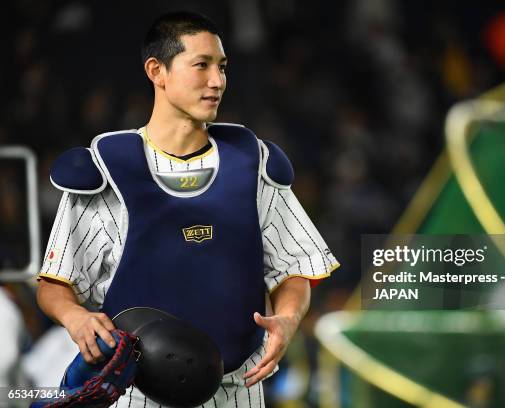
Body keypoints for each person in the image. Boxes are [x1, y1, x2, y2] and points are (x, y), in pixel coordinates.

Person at [36, 11, 339, 407]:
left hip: (238, 391)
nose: (217, 81)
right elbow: (55, 284)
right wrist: (76, 319)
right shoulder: (107, 169)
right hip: (135, 394)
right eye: (201, 65)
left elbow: (294, 269)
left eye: (222, 67)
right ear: (156, 71)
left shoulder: (253, 162)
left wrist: (287, 319)